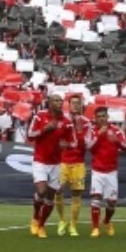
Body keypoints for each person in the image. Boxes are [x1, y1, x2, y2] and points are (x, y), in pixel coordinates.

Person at [27, 93, 76, 238]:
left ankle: (41, 225)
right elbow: (30, 135)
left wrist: (66, 144)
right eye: (56, 100)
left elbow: (74, 142)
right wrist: (44, 129)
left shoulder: (67, 122)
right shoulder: (40, 116)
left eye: (61, 100)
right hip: (40, 160)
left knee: (50, 197)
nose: (60, 103)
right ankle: (35, 216)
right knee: (41, 191)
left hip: (56, 163)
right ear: (49, 102)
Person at [85, 106, 126, 238]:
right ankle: (95, 228)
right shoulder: (92, 131)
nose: (101, 119)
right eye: (98, 117)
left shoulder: (116, 130)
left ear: (107, 117)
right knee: (96, 198)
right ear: (95, 118)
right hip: (97, 170)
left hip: (111, 171)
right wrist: (99, 134)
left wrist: (117, 142)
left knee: (111, 202)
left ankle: (107, 221)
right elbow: (89, 147)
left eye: (103, 116)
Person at [55, 95, 89, 236]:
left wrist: (79, 131)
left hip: (78, 162)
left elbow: (86, 145)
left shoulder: (86, 122)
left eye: (78, 103)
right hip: (62, 161)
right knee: (58, 190)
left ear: (81, 106)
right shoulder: (62, 120)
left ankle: (73, 225)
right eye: (73, 103)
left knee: (76, 193)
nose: (76, 105)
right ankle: (62, 220)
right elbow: (57, 139)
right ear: (68, 105)